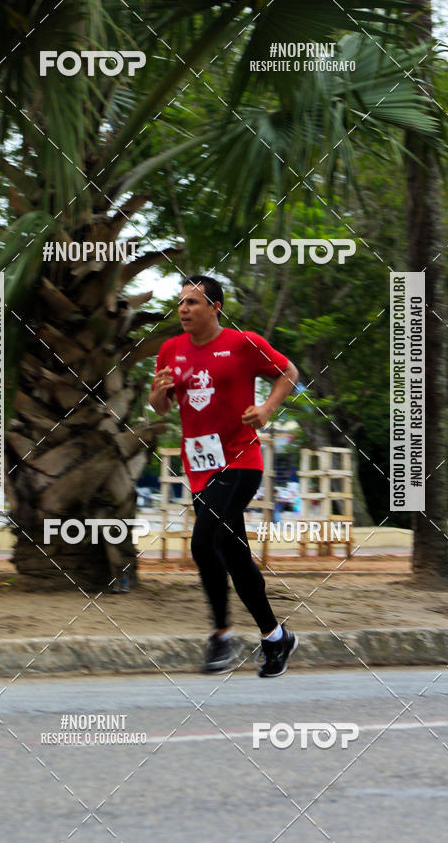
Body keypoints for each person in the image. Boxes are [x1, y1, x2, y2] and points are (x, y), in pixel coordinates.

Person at [149, 275, 300, 677]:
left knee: (203, 543)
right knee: (233, 553)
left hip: (240, 461)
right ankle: (275, 637)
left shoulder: (243, 344)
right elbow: (161, 406)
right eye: (181, 302)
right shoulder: (170, 349)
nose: (183, 309)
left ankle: (221, 636)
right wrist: (159, 393)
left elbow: (289, 371)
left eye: (193, 302)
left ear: (215, 307)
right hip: (199, 466)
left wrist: (267, 409)